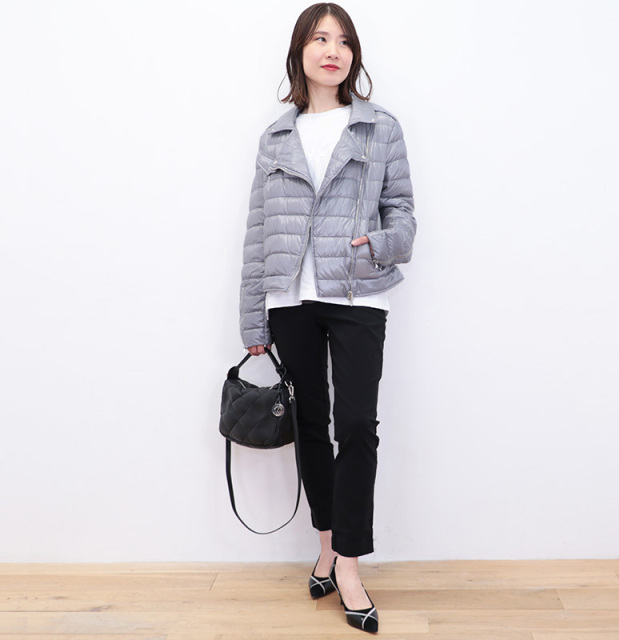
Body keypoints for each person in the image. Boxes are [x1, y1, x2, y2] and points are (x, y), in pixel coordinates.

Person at [239, 2, 416, 633]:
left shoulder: (379, 128)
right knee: (311, 425)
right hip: (290, 300)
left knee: (357, 427)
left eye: (342, 41)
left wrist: (380, 244)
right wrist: (253, 322)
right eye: (319, 39)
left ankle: (350, 563)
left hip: (358, 294)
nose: (332, 50)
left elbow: (404, 214)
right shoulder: (276, 138)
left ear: (353, 55)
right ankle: (326, 548)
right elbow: (258, 233)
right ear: (301, 52)